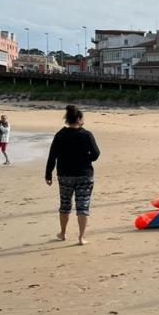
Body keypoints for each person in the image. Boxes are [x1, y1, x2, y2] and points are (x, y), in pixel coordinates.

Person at [45, 105, 100, 245]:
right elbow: (96, 153)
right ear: (79, 120)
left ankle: (63, 234)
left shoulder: (60, 135)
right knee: (83, 205)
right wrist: (88, 159)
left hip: (65, 175)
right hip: (84, 175)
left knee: (65, 204)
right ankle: (81, 237)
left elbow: (52, 156)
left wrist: (48, 174)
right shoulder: (86, 135)